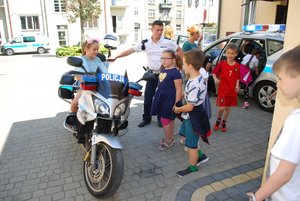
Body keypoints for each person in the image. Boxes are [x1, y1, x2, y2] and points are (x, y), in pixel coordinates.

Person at [247, 45, 300, 201]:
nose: (278, 84)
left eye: (281, 78)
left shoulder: (296, 122)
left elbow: (284, 173)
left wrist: (257, 197)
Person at [108, 20, 183, 128]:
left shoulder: (168, 42)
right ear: (152, 30)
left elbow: (179, 50)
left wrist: (179, 64)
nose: (159, 32)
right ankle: (146, 118)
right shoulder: (145, 43)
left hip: (165, 75)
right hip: (151, 75)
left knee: (162, 97)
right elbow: (131, 50)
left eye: (161, 30)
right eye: (157, 30)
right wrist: (116, 56)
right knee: (148, 98)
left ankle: (160, 119)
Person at [174, 49, 211, 177]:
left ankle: (193, 167)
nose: (183, 66)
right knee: (188, 138)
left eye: (184, 64)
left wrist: (178, 109)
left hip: (193, 116)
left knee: (191, 145)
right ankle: (200, 156)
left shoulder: (195, 83)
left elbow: (190, 107)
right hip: (192, 114)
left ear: (190, 66)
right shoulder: (196, 76)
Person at [64, 38, 108, 133]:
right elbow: (77, 76)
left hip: (99, 86)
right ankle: (72, 119)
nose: (96, 51)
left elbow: (105, 71)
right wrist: (83, 78)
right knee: (75, 102)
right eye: (94, 49)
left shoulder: (98, 60)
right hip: (86, 87)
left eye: (97, 49)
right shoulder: (82, 61)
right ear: (86, 49)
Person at [151, 50, 183, 151]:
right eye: (162, 58)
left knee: (165, 120)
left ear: (173, 60)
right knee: (170, 119)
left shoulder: (175, 73)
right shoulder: (164, 70)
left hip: (170, 100)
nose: (163, 60)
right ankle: (171, 138)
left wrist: (176, 103)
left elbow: (179, 90)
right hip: (162, 98)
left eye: (166, 58)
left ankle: (168, 141)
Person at [212, 44, 240, 132]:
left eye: (232, 53)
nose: (230, 55)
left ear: (236, 54)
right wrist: (215, 78)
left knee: (227, 108)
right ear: (225, 53)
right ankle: (218, 120)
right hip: (222, 90)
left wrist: (237, 85)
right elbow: (213, 72)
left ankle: (224, 122)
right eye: (228, 53)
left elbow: (238, 77)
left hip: (231, 90)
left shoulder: (237, 66)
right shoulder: (222, 63)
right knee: (221, 108)